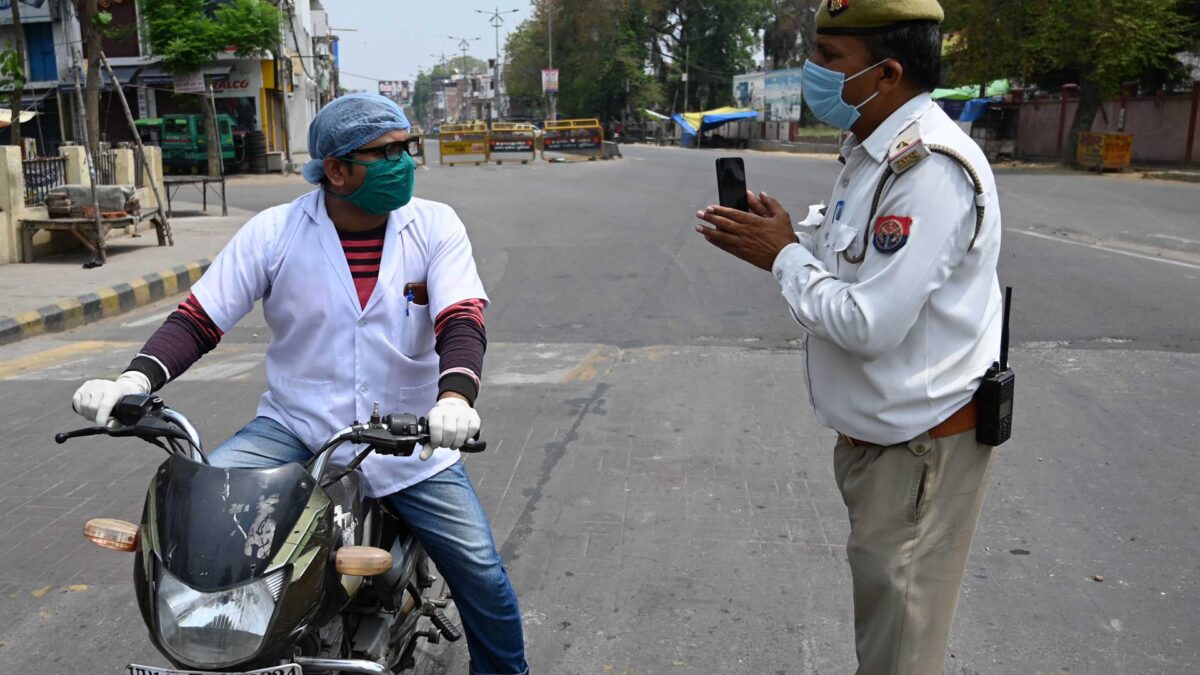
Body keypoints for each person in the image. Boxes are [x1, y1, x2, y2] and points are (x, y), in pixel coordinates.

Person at [71, 93, 528, 675]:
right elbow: (199, 319)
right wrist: (132, 379)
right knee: (210, 530)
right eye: (385, 153)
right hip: (294, 426)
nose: (404, 161)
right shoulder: (276, 232)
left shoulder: (435, 225)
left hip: (410, 440)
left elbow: (461, 319)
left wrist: (455, 399)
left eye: (405, 148)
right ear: (335, 169)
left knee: (483, 575)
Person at [695, 1, 1003, 673]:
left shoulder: (928, 169)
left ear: (887, 72)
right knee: (886, 642)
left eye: (831, 58)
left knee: (899, 655)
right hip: (882, 450)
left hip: (917, 454)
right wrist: (786, 233)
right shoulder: (873, 155)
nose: (813, 72)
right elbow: (852, 254)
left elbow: (868, 324)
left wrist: (782, 256)